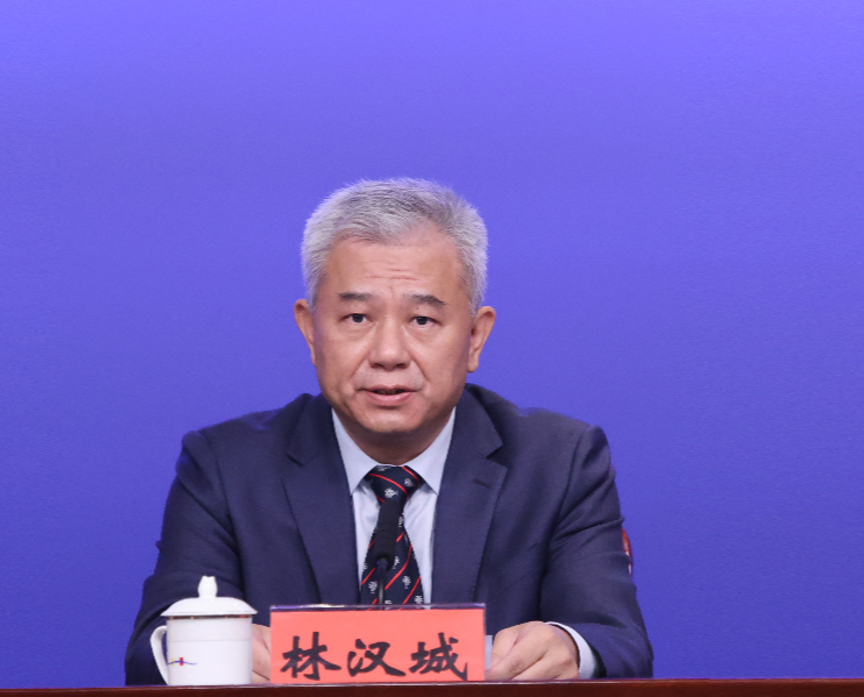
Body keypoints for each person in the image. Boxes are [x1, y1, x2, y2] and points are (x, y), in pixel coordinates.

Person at [125, 179, 652, 684]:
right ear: (310, 331)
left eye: (422, 321)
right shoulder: (226, 467)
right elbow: (151, 652)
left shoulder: (558, 461)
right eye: (357, 318)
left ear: (475, 337)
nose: (388, 354)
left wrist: (569, 647)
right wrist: (209, 649)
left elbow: (617, 641)